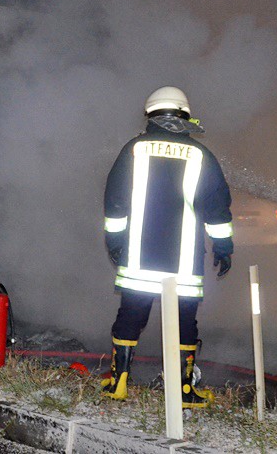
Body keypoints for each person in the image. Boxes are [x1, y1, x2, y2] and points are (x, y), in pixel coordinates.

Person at [101, 86, 234, 408]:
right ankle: (183, 389)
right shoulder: (201, 156)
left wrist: (116, 242)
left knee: (131, 315)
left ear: (150, 116)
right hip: (184, 262)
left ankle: (118, 383)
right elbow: (217, 209)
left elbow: (115, 203)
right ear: (184, 116)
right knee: (185, 323)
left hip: (138, 260)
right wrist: (223, 247)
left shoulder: (133, 149)